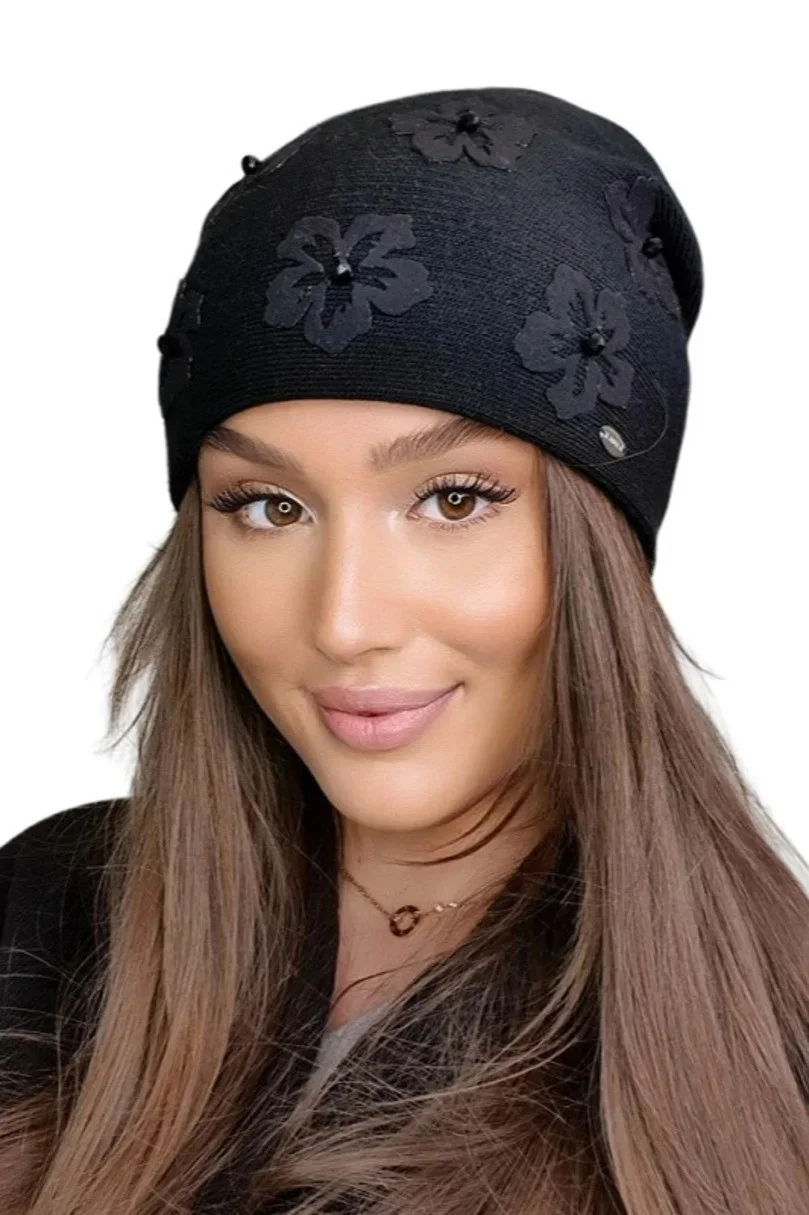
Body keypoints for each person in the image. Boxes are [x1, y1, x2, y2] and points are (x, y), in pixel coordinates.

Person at [1, 86, 807, 1215]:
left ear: (599, 546)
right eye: (268, 507)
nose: (344, 621)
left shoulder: (773, 1043)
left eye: (453, 498)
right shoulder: (53, 914)